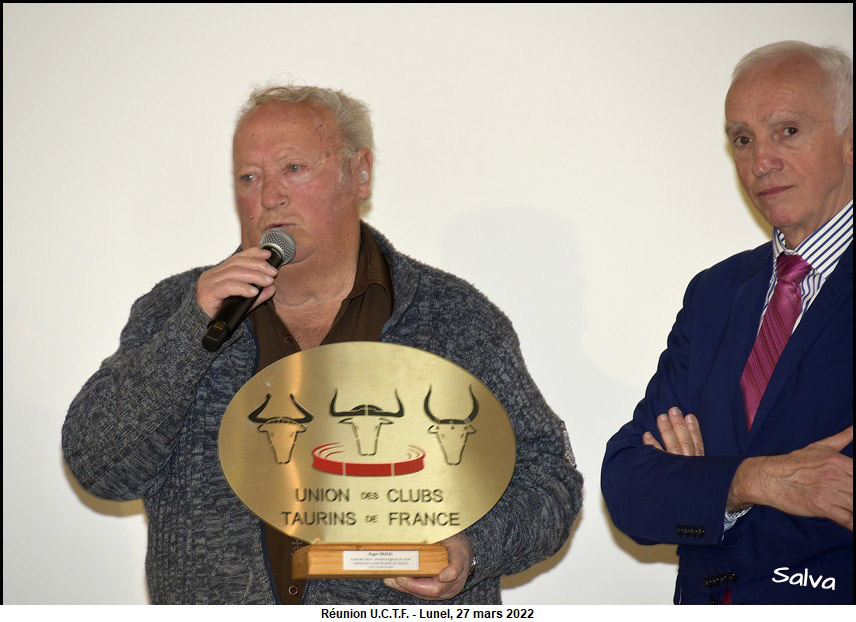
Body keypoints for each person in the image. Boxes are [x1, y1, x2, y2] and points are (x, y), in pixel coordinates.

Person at [62, 84, 583, 605]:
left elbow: (548, 478)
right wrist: (191, 332)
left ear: (360, 173)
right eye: (249, 177)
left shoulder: (452, 316)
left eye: (294, 169)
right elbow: (101, 468)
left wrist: (475, 548)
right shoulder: (179, 308)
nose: (270, 197)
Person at [602, 41, 853, 605]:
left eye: (788, 131)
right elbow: (628, 486)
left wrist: (703, 482)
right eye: (743, 139)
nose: (761, 161)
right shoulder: (715, 292)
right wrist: (755, 481)